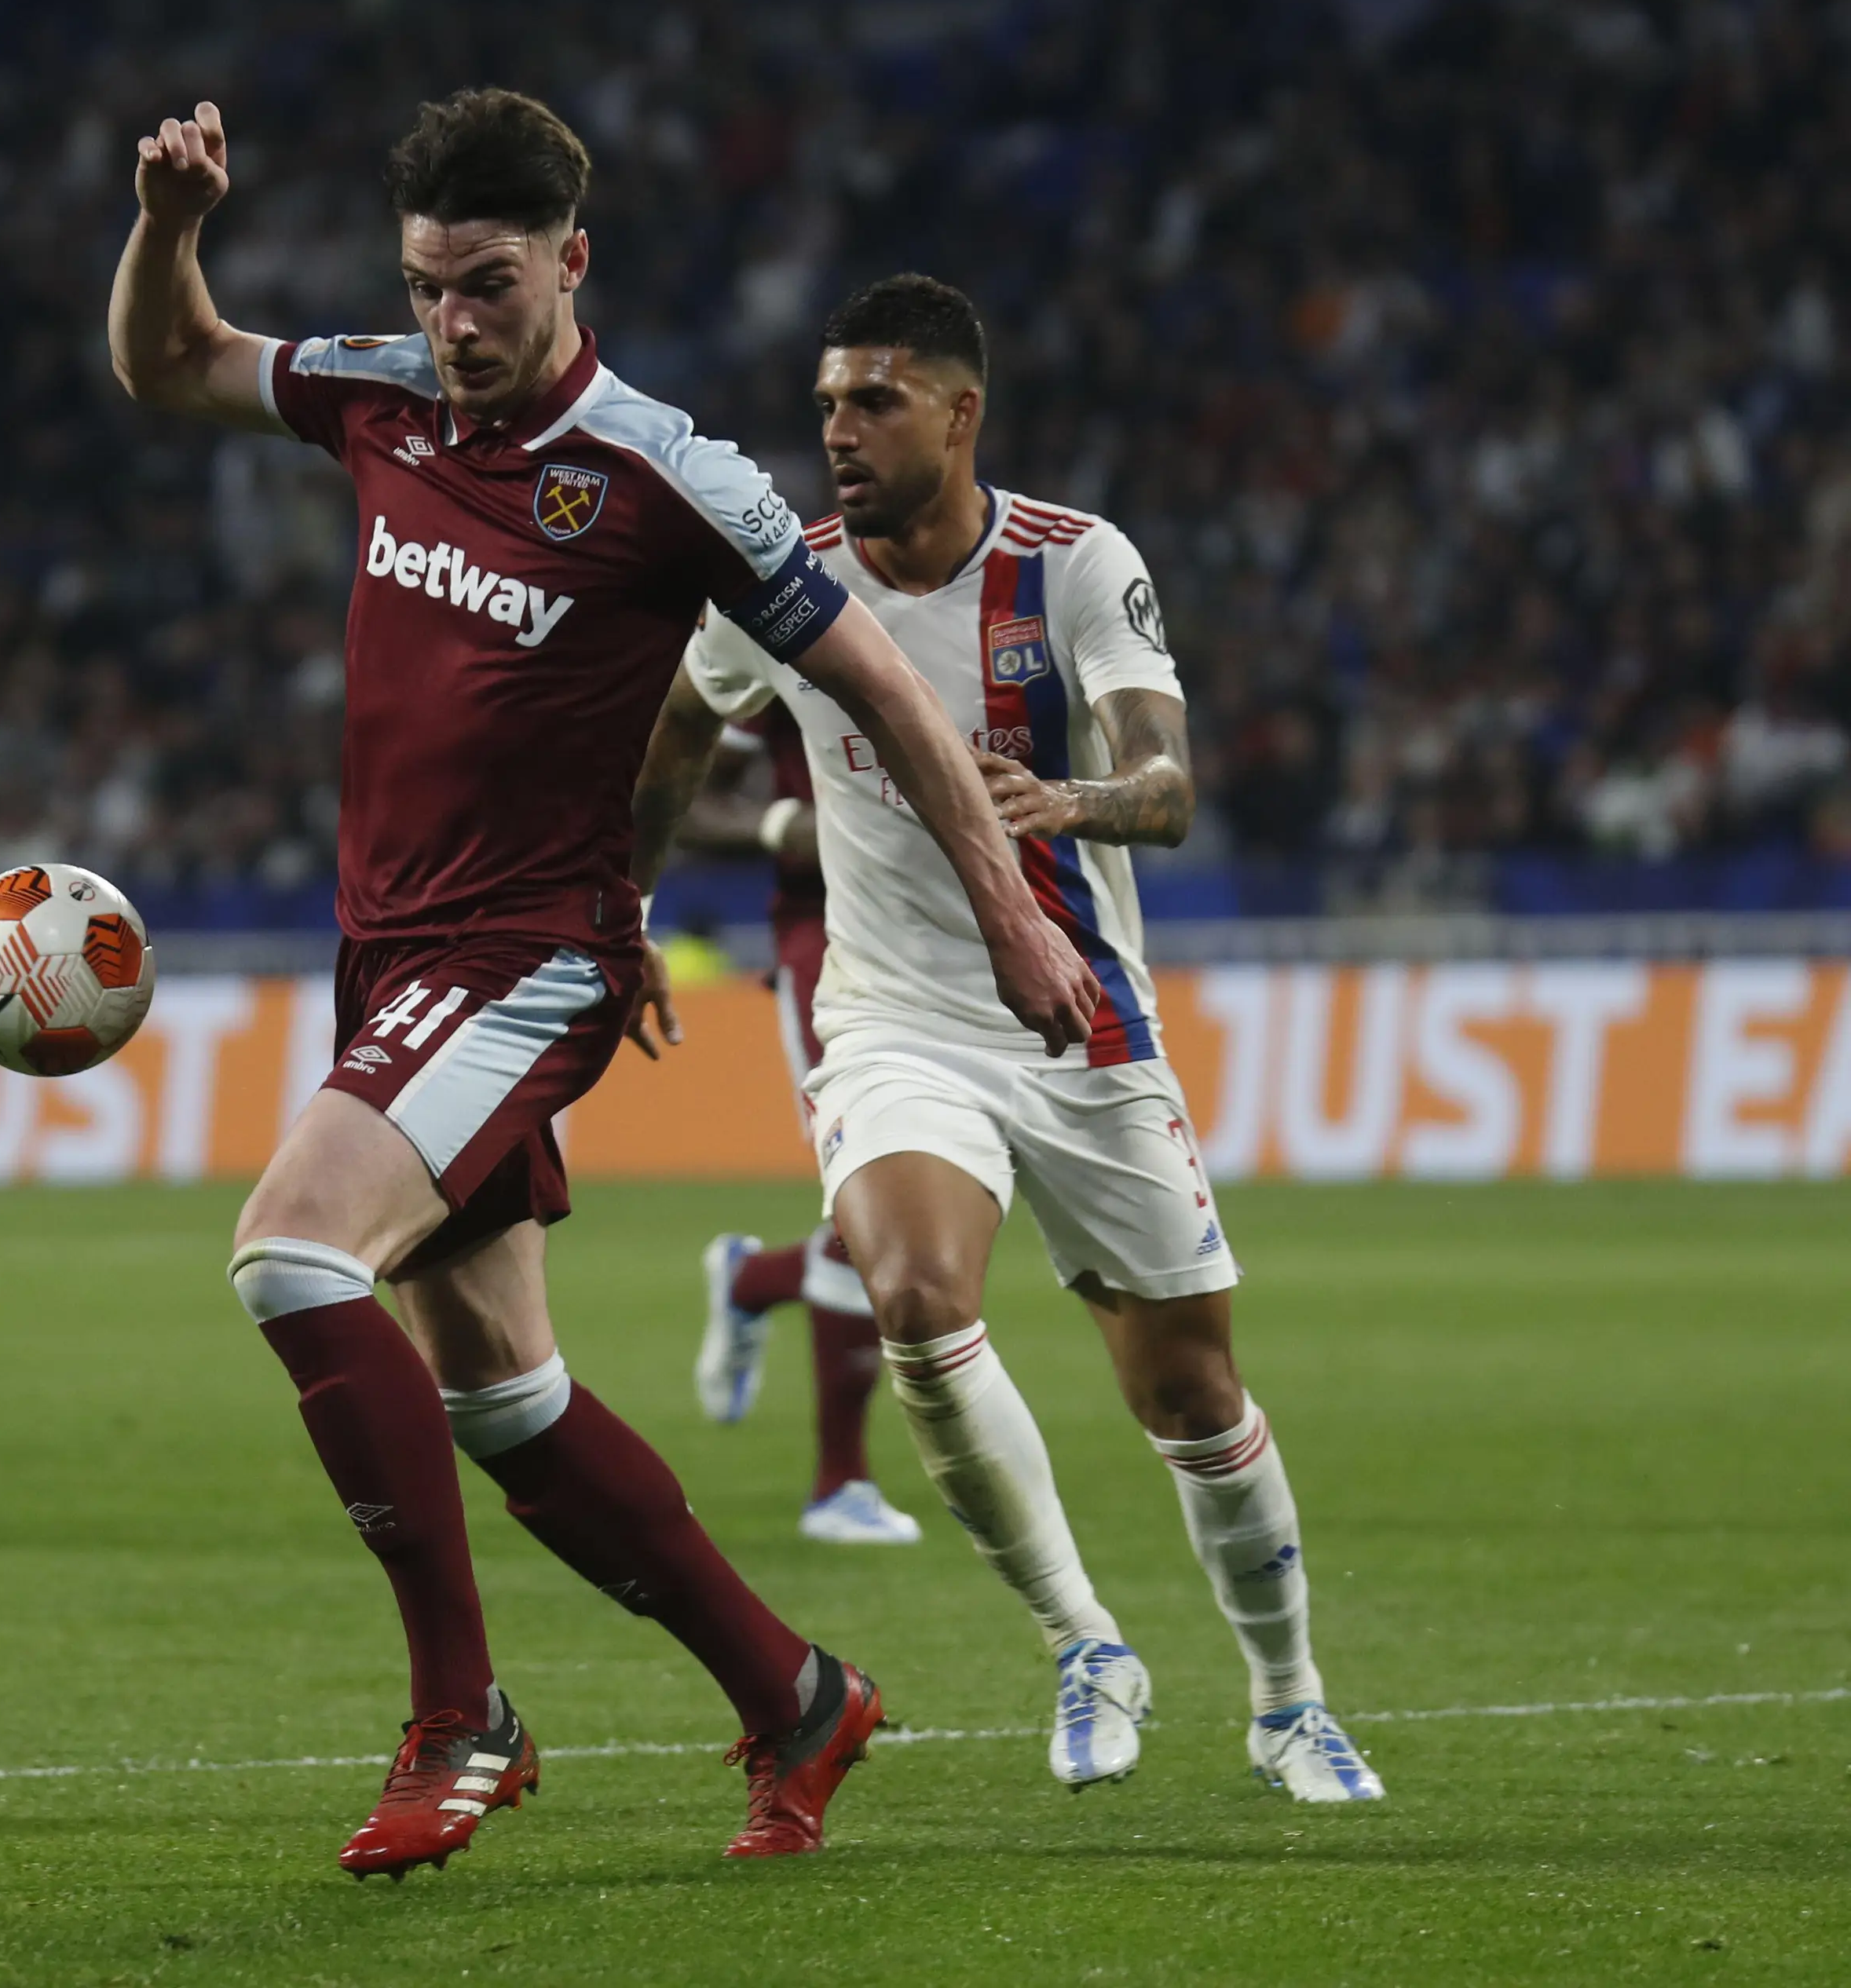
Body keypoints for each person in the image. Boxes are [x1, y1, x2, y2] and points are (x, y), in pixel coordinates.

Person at [108, 93, 1102, 1875]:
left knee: (288, 1245)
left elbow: (883, 690)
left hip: (521, 956)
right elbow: (168, 364)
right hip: (389, 951)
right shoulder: (381, 394)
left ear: (571, 263)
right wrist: (169, 222)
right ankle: (795, 1689)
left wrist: (1017, 921)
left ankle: (456, 1712)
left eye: (486, 286)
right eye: (426, 288)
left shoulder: (663, 474)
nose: (452, 328)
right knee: (502, 1398)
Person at [629, 274, 1383, 1804]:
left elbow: (1167, 787)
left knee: (1191, 1394)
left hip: (1081, 1018)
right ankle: (1085, 1638)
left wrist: (1067, 799)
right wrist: (619, 913)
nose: (839, 427)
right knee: (911, 1292)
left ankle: (1289, 1697)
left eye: (876, 399)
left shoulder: (1074, 563)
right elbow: (667, 754)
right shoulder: (781, 581)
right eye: (830, 399)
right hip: (893, 1014)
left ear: (961, 412)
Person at [677, 708, 920, 1546]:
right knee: (871, 1213)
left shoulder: (982, 601)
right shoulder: (784, 611)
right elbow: (681, 792)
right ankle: (840, 1481)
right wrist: (785, 822)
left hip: (955, 944)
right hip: (833, 950)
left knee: (922, 1222)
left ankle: (752, 1281)